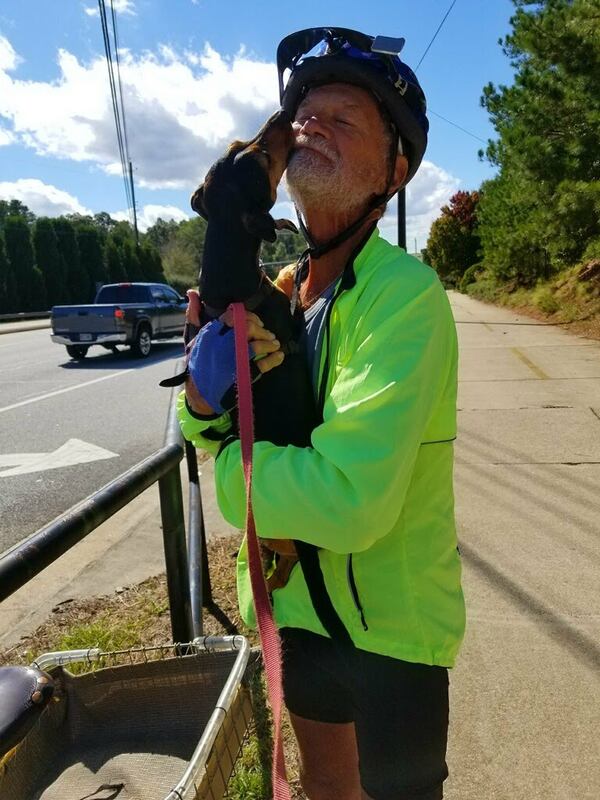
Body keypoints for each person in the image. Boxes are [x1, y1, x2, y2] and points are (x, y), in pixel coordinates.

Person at [178, 27, 466, 800]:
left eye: (343, 119)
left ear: (394, 171)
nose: (310, 124)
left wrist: (231, 464)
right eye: (306, 113)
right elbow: (206, 424)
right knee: (324, 790)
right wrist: (203, 404)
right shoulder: (280, 290)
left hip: (392, 636)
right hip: (296, 613)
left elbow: (349, 500)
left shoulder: (404, 295)